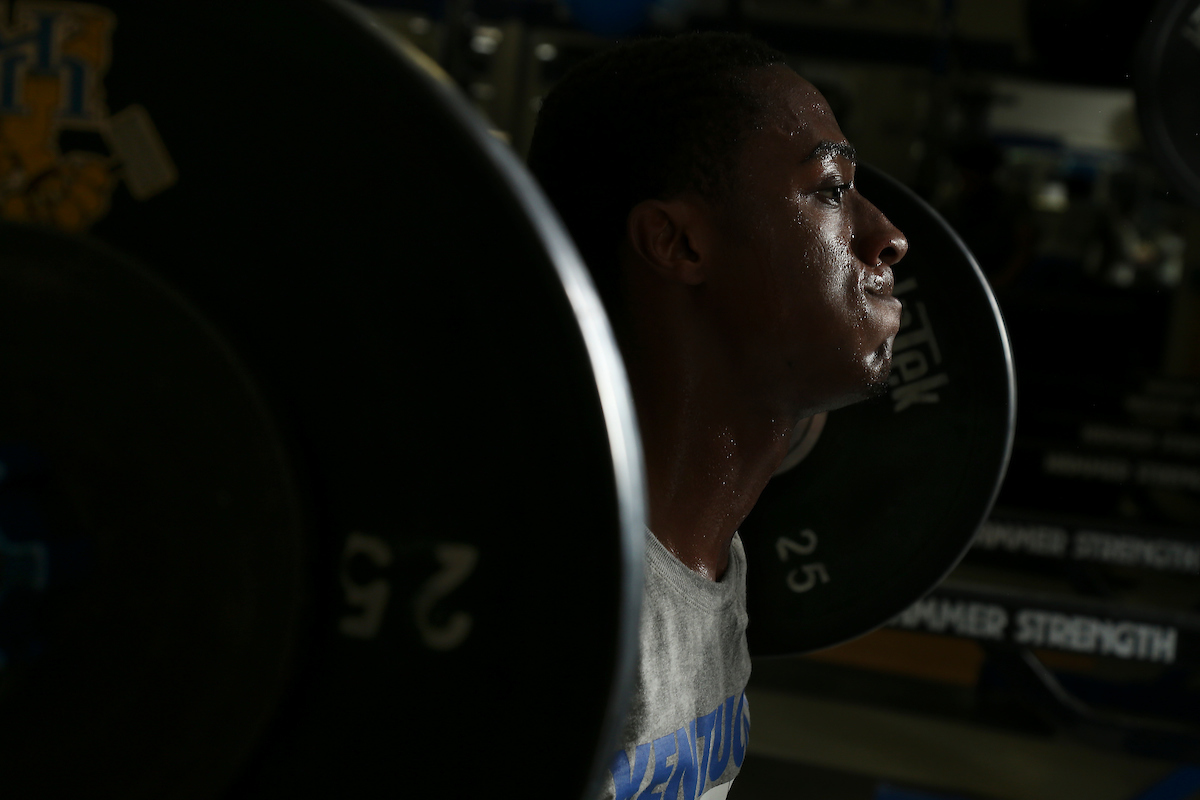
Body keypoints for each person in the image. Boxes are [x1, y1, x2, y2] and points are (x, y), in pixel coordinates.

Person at [527, 32, 908, 800]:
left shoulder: (709, 561)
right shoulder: (557, 615)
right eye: (831, 191)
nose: (888, 237)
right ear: (677, 243)